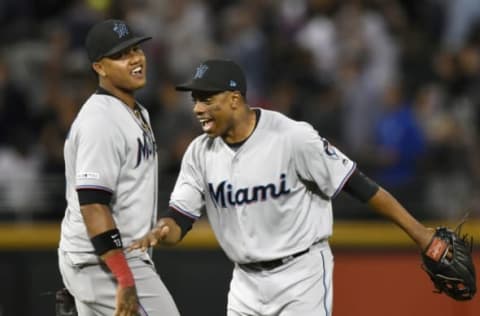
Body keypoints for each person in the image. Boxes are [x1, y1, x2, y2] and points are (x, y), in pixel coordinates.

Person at [128, 59, 435, 316]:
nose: (197, 108)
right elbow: (180, 219)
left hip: (300, 275)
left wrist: (420, 235)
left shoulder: (292, 137)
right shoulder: (199, 152)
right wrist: (162, 231)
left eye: (207, 99)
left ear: (234, 99)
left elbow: (360, 187)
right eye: (195, 99)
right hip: (245, 282)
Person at [57, 19, 180, 316]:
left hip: (110, 259)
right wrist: (123, 276)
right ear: (99, 67)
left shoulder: (136, 111)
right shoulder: (100, 121)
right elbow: (93, 204)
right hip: (103, 262)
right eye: (122, 55)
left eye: (136, 49)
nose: (135, 58)